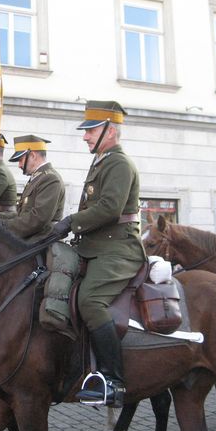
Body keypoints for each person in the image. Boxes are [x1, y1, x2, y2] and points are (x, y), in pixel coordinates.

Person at [51, 100, 146, 408]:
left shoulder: (118, 163)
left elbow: (109, 209)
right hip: (94, 247)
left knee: (89, 300)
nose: (85, 136)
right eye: (87, 130)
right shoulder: (102, 162)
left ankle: (113, 380)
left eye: (91, 130)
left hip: (119, 249)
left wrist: (69, 222)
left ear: (111, 131)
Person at [1, 135, 66, 242]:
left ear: (32, 155)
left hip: (42, 240)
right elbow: (22, 213)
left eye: (20, 160)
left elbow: (38, 219)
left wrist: (3, 226)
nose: (19, 165)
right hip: (32, 237)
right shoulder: (38, 177)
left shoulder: (50, 178)